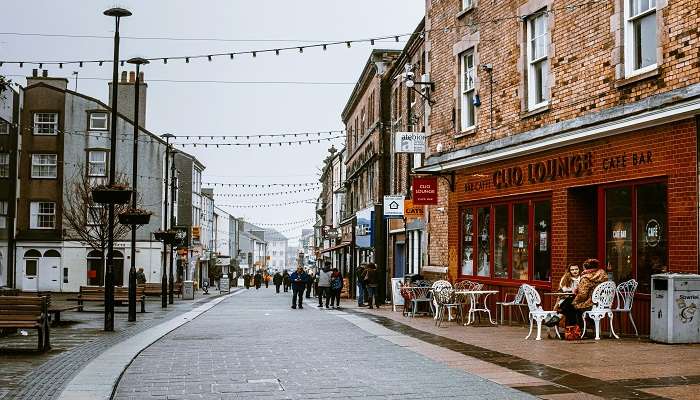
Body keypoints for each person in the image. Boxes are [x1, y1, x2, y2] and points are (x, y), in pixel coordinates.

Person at [546, 259, 607, 328]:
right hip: (601, 303)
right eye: (572, 270)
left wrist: (576, 297)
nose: (575, 271)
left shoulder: (585, 278)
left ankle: (563, 320)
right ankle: (573, 329)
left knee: (571, 304)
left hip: (588, 303)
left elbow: (582, 295)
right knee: (570, 303)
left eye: (576, 269)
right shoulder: (603, 276)